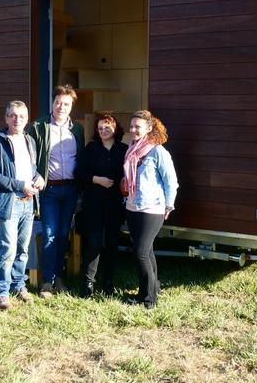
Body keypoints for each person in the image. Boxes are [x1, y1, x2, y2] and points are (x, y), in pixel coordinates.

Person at [27, 84, 84, 298]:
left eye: (66, 104)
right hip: (49, 191)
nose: (61, 107)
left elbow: (80, 159)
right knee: (50, 234)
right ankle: (47, 282)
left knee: (62, 234)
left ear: (71, 107)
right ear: (52, 103)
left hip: (70, 190)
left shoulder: (76, 129)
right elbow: (29, 155)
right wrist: (36, 174)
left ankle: (58, 276)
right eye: (58, 102)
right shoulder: (39, 126)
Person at [0, 100, 41, 310]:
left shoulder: (29, 140)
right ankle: (2, 292)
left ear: (27, 119)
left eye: (22, 116)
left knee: (23, 249)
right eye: (13, 115)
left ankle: (19, 285)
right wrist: (20, 185)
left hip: (28, 202)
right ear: (6, 117)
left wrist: (38, 177)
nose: (18, 119)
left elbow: (31, 167)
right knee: (8, 249)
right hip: (11, 202)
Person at [122, 110, 178, 309]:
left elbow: (171, 182)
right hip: (132, 206)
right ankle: (149, 290)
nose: (133, 130)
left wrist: (168, 205)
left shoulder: (158, 152)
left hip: (152, 209)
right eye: (132, 126)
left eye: (138, 126)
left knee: (140, 253)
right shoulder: (131, 149)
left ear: (148, 128)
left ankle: (149, 300)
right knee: (147, 252)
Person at [77, 112, 127, 297]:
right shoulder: (90, 149)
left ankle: (108, 282)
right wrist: (96, 179)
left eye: (107, 127)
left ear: (115, 128)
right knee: (94, 243)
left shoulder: (124, 149)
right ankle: (88, 282)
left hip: (115, 205)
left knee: (112, 244)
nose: (103, 130)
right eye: (100, 128)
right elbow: (79, 173)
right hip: (94, 204)